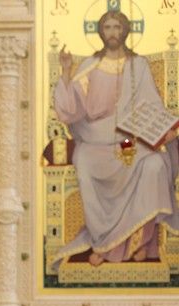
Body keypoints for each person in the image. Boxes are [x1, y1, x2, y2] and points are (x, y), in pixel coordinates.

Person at [52, 10, 179, 268]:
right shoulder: (91, 66)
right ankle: (103, 243)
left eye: (117, 27)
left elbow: (153, 105)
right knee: (84, 162)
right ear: (101, 32)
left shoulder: (138, 65)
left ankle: (141, 243)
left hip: (131, 139)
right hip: (95, 139)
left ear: (125, 31)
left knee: (154, 165)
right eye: (108, 27)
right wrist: (65, 71)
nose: (113, 32)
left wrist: (165, 129)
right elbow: (70, 109)